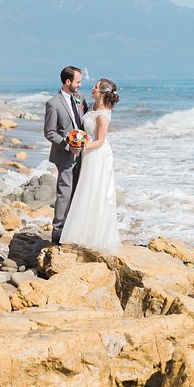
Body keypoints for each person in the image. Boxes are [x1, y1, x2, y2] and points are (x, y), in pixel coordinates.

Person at [58, 78, 120, 252]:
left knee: (95, 191)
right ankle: (81, 232)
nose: (92, 88)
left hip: (98, 155)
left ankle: (94, 236)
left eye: (96, 87)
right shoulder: (92, 106)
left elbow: (100, 141)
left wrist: (80, 147)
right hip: (88, 153)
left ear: (102, 93)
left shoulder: (102, 115)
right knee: (85, 189)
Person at [44, 66, 89, 243]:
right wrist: (67, 146)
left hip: (83, 155)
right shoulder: (53, 104)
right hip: (64, 155)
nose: (80, 84)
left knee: (79, 192)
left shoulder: (81, 99)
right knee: (65, 193)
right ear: (67, 81)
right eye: (78, 81)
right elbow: (49, 132)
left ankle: (74, 230)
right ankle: (57, 233)